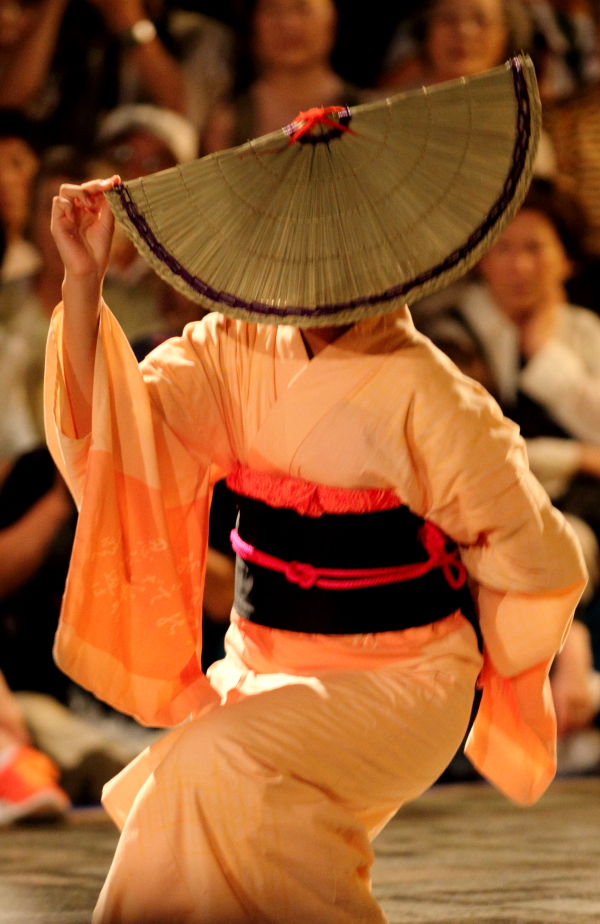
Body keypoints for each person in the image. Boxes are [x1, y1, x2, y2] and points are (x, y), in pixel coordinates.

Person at [47, 62, 586, 923]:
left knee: (213, 766)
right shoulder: (231, 348)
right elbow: (120, 441)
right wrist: (84, 284)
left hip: (404, 680)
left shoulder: (433, 396)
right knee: (189, 813)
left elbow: (543, 560)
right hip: (265, 665)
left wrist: (500, 649)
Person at [203, 0, 362, 153]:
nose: (288, 23)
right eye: (272, 9)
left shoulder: (367, 111)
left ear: (333, 17)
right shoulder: (227, 125)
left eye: (302, 8)